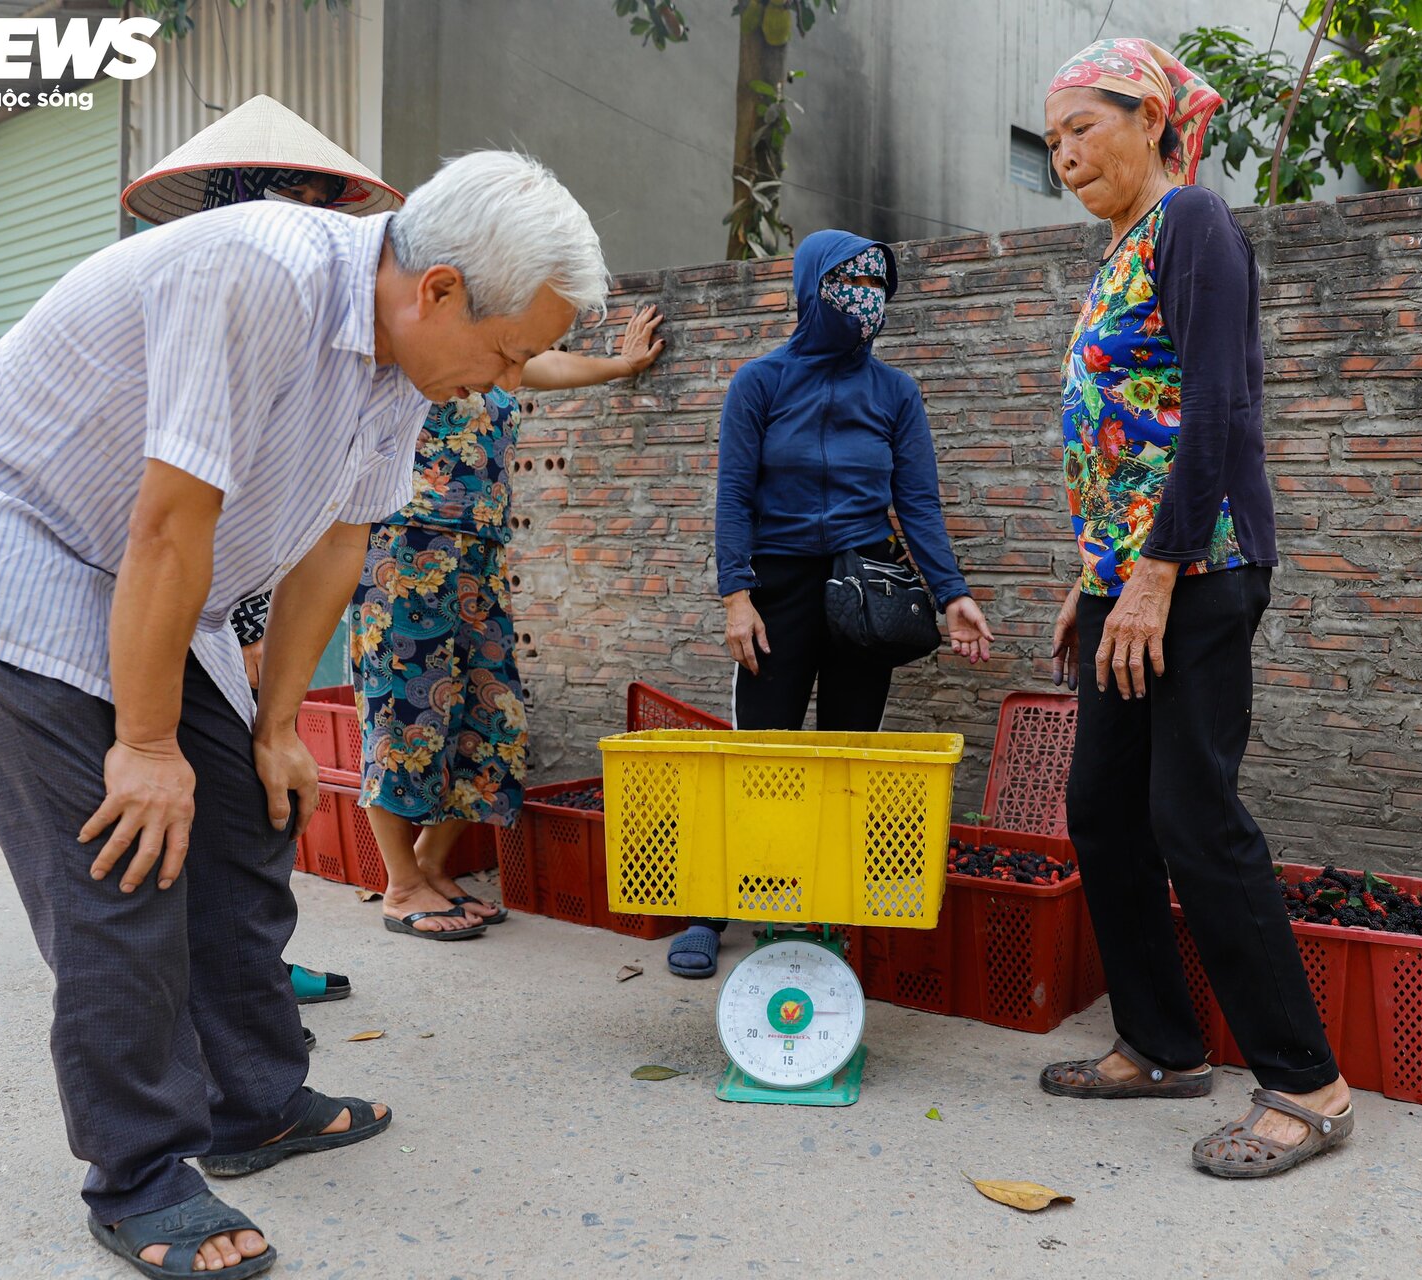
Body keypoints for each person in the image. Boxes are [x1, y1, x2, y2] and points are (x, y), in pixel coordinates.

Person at [0, 150, 607, 1278]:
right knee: (129, 852)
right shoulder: (260, 272)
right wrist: (147, 742)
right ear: (442, 288)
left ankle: (253, 1101)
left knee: (248, 813)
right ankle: (141, 1173)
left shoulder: (406, 367)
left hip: (150, 571)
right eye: (508, 351)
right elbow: (170, 524)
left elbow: (340, 542)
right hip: (11, 541)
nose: (504, 378)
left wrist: (272, 728)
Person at [1034, 38, 1354, 1178]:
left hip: (1203, 571)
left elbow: (1218, 407)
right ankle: (1164, 1043)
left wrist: (1158, 573)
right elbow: (1129, 434)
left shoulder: (1193, 225)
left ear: (1152, 120)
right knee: (1105, 809)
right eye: (1054, 136)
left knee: (1193, 815)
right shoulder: (1121, 251)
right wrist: (1095, 578)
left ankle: (1306, 1081)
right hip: (1133, 577)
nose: (1064, 152)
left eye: (1082, 125)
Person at [122, 92, 408, 1019]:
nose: (310, 220)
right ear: (242, 197)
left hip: (227, 567)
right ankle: (199, 993)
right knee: (165, 795)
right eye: (289, 195)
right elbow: (176, 511)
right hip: (146, 570)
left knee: (248, 793)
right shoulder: (211, 282)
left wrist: (272, 702)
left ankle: (245, 980)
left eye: (322, 201)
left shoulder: (341, 324)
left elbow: (304, 504)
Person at [663, 228, 995, 978]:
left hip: (863, 588)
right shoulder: (760, 382)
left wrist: (953, 594)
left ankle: (820, 909)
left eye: (878, 286)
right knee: (763, 755)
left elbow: (918, 502)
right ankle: (712, 909)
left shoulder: (894, 393)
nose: (865, 299)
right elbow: (734, 497)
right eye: (851, 282)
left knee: (847, 756)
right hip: (775, 589)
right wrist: (736, 597)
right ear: (813, 287)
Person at [355, 308, 666, 938]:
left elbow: (546, 366)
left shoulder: (495, 357)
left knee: (493, 718)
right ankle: (400, 885)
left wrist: (623, 364)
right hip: (405, 551)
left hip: (481, 558)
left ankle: (431, 864)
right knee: (405, 721)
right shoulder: (410, 344)